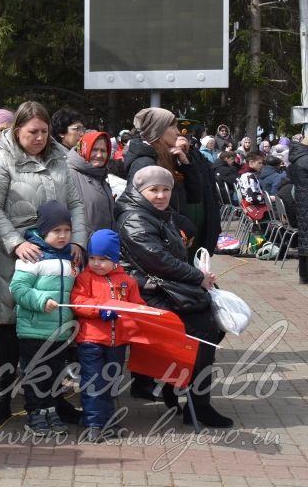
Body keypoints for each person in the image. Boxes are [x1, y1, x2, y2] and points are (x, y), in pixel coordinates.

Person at [0, 101, 88, 427]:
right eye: (32, 132)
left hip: (57, 252)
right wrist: (16, 241)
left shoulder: (60, 159)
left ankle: (52, 399)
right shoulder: (2, 159)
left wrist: (78, 241)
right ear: (17, 131)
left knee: (53, 329)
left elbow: (75, 204)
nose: (39, 137)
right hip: (17, 254)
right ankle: (2, 398)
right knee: (9, 326)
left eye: (43, 131)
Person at [116, 166, 233, 427]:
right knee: (204, 328)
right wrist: (196, 277)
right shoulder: (134, 217)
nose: (160, 195)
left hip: (163, 286)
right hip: (145, 291)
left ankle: (177, 386)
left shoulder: (157, 214)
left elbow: (171, 255)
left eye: (165, 190)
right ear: (139, 191)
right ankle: (197, 406)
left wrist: (198, 276)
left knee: (211, 320)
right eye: (153, 190)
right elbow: (158, 260)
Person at [69, 229, 146, 442]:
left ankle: (109, 420)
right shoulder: (85, 278)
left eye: (103, 259)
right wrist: (100, 308)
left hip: (118, 343)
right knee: (93, 382)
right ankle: (93, 423)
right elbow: (78, 303)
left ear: (115, 259)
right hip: (90, 340)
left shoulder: (127, 282)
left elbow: (137, 306)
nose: (96, 263)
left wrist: (140, 315)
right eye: (92, 258)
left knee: (111, 382)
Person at [9, 200, 78, 435]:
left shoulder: (69, 258)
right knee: (36, 374)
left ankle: (51, 410)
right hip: (34, 330)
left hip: (60, 331)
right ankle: (34, 414)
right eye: (56, 231)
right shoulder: (32, 256)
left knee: (56, 373)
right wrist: (40, 301)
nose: (63, 236)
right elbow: (18, 288)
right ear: (43, 231)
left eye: (67, 230)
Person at [125, 107, 201, 218]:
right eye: (173, 127)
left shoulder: (167, 157)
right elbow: (146, 213)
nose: (178, 132)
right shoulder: (145, 164)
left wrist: (186, 163)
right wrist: (185, 227)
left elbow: (194, 196)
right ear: (158, 130)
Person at [67, 131, 114, 233]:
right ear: (84, 149)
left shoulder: (101, 176)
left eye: (103, 151)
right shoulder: (69, 175)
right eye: (94, 150)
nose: (99, 155)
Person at [287, 137, 308, 284]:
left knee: (304, 237)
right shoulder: (305, 159)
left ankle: (304, 275)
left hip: (301, 198)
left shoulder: (296, 158)